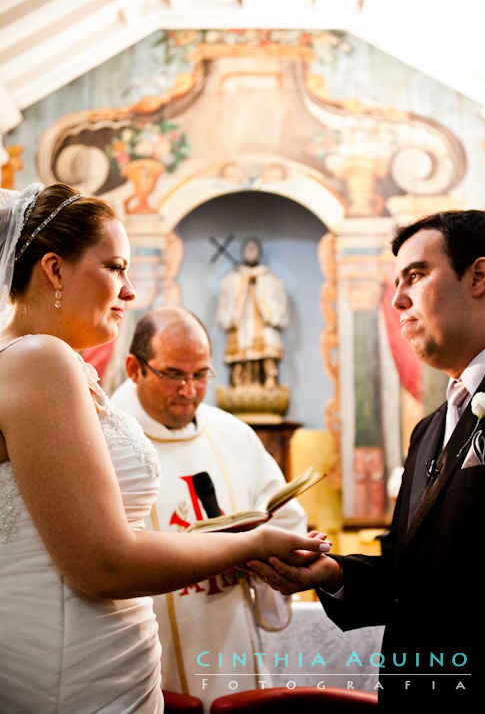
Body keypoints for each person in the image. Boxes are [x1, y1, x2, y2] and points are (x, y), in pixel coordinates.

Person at [0, 182, 329, 713]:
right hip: (73, 675)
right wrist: (251, 543)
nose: (129, 290)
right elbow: (104, 563)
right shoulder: (41, 359)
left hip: (93, 660)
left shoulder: (34, 361)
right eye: (115, 267)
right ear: (55, 270)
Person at [247, 210, 485, 712]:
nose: (397, 300)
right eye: (394, 283)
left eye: (416, 275)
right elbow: (408, 573)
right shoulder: (430, 429)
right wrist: (330, 574)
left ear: (479, 275)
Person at [111, 306, 307, 710]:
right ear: (135, 368)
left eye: (200, 375)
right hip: (146, 654)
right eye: (173, 375)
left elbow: (287, 517)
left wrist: (273, 556)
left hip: (231, 631)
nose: (189, 391)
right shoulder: (106, 442)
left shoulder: (233, 434)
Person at [217, 237, 288, 389]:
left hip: (263, 326)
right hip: (241, 326)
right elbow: (224, 310)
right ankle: (240, 384)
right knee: (241, 359)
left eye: (254, 248)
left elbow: (280, 309)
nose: (250, 251)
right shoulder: (230, 280)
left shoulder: (271, 280)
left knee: (267, 355)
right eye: (247, 248)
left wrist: (260, 292)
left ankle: (268, 382)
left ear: (260, 253)